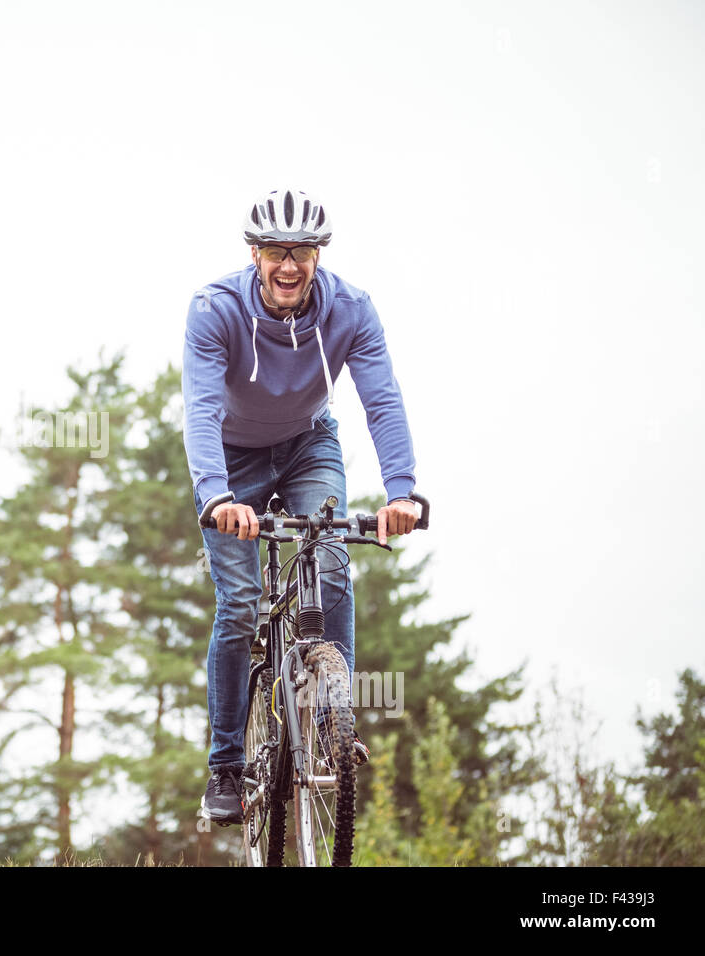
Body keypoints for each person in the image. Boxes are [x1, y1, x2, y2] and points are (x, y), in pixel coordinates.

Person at [182, 186, 419, 826]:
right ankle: (226, 767)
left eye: (304, 253)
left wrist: (401, 491)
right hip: (232, 460)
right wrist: (216, 498)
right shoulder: (214, 309)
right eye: (277, 252)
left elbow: (382, 401)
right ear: (254, 253)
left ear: (320, 255)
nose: (290, 266)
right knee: (238, 607)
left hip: (309, 443)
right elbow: (201, 411)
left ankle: (327, 722)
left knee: (333, 562)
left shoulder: (353, 311)